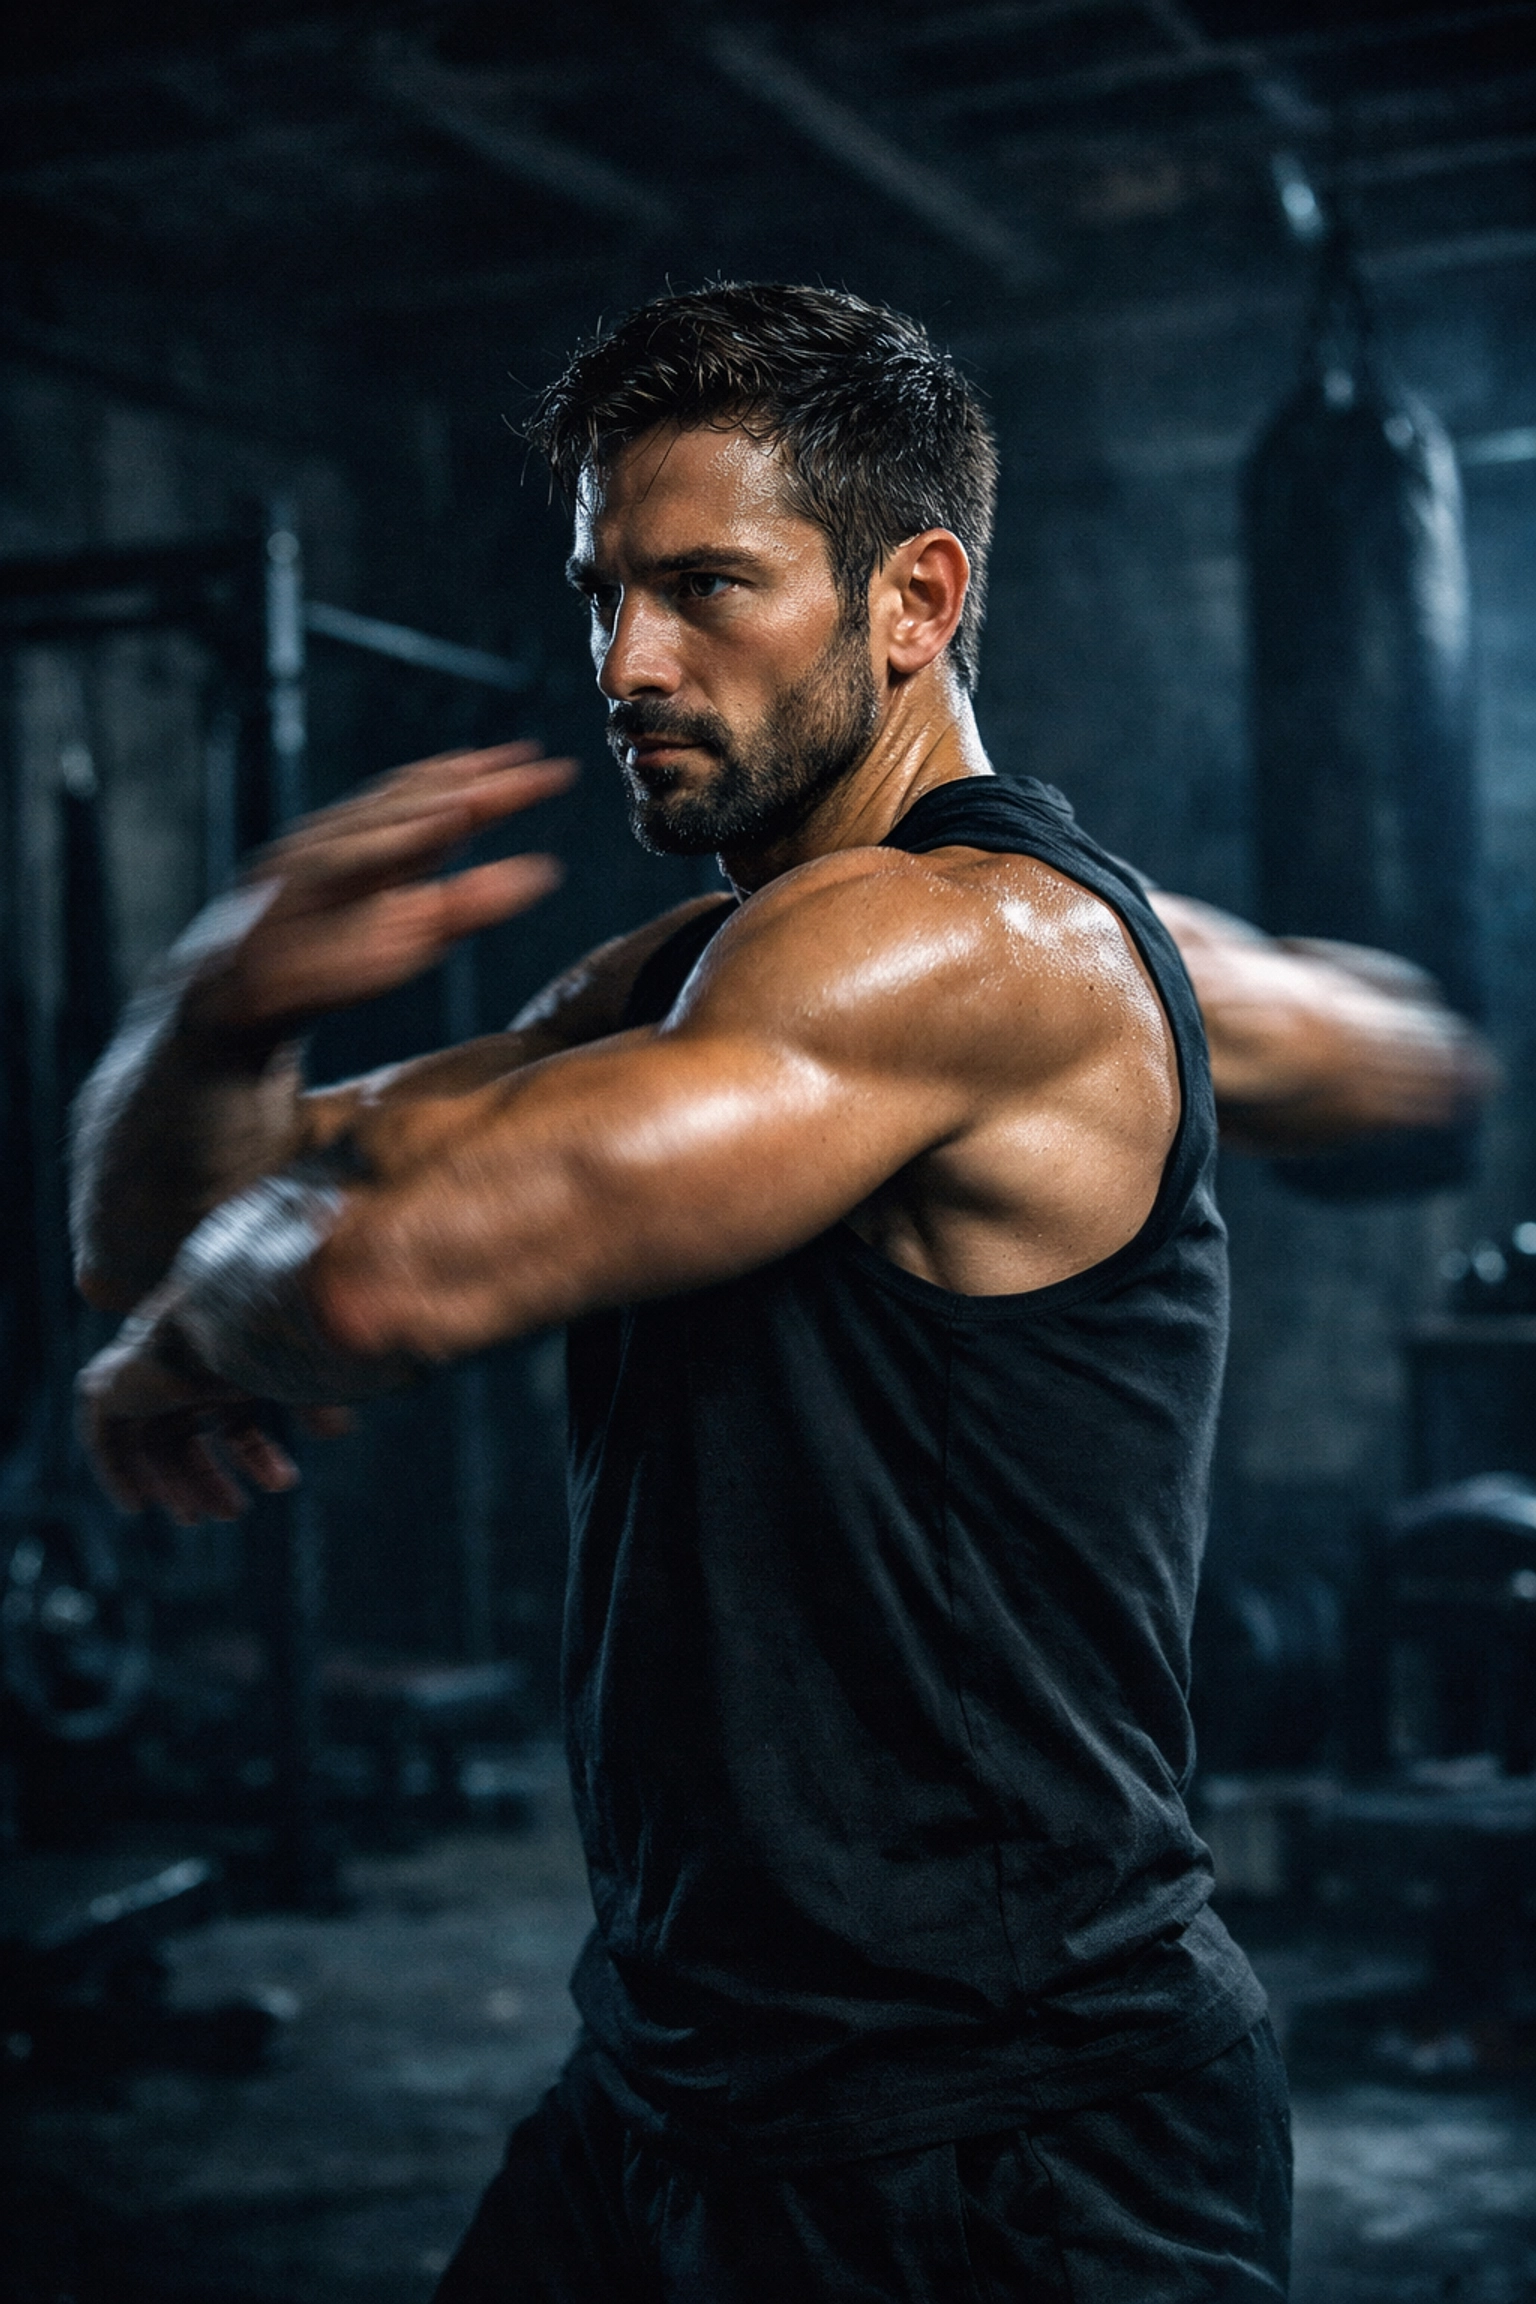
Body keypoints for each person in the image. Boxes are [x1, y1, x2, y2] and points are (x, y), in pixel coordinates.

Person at [70, 286, 1486, 2300]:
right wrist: (213, 1010)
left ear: (914, 599)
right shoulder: (681, 977)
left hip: (1007, 2142)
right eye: (603, 594)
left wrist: (195, 1322)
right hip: (682, 2075)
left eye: (705, 587)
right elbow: (172, 1233)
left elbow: (375, 1280)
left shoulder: (977, 952)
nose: (627, 662)